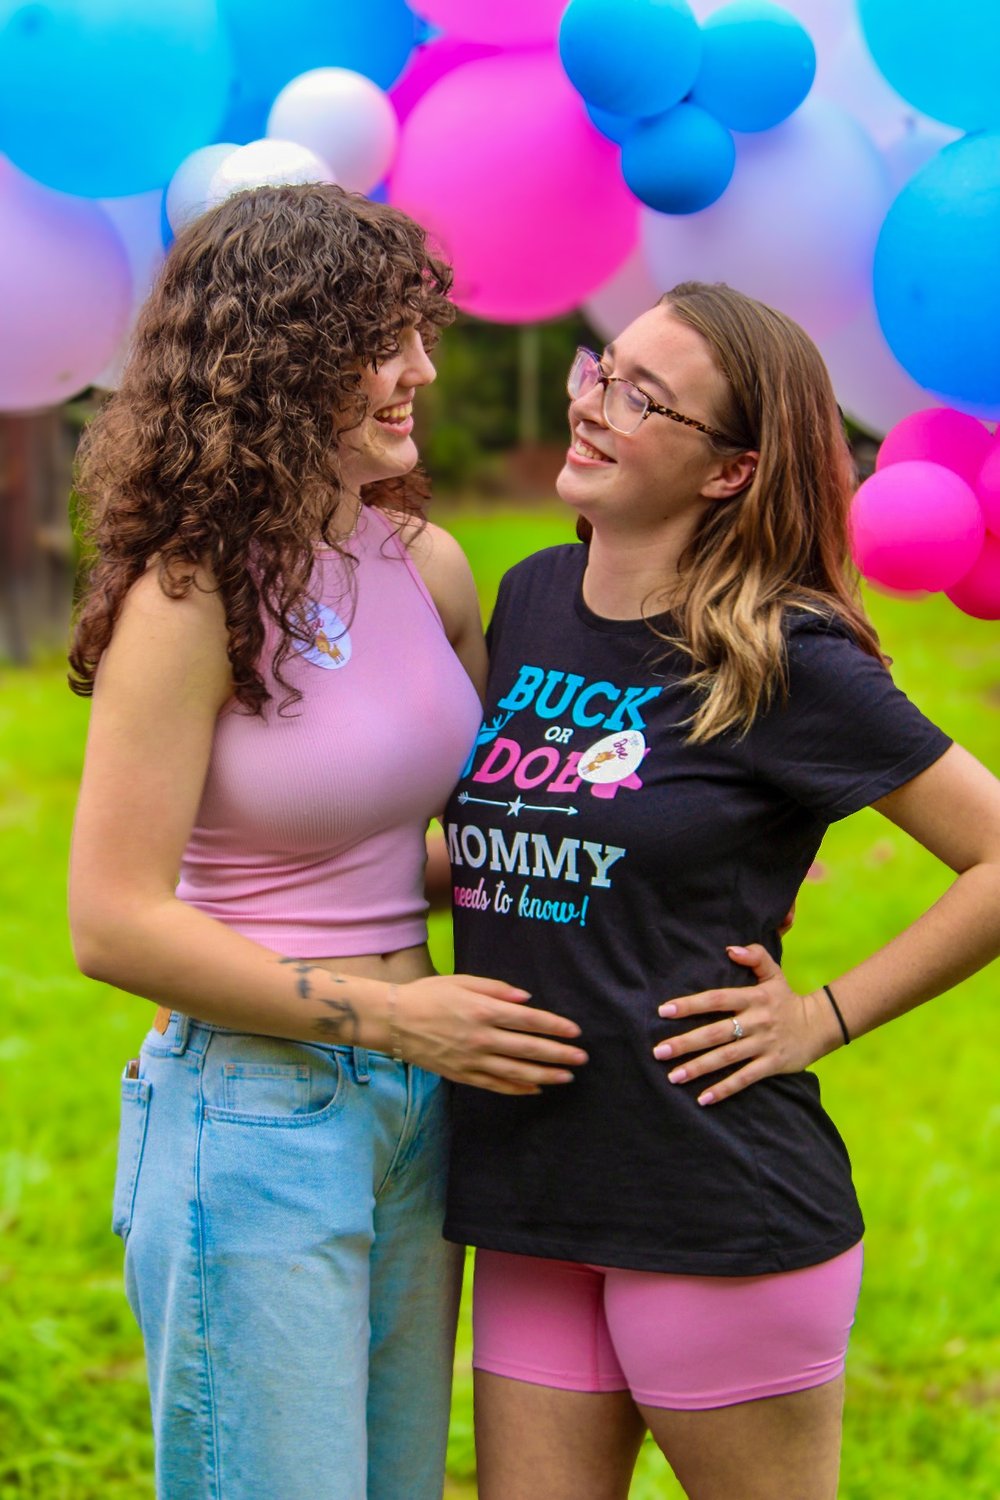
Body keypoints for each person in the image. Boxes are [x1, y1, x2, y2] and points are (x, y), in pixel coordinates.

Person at [67, 182, 586, 1500]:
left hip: (423, 1105)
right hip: (258, 1108)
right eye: (378, 341)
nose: (419, 370)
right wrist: (395, 1018)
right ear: (279, 357)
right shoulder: (189, 595)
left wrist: (667, 857)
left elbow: (458, 839)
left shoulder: (426, 563)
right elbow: (111, 921)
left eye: (419, 333)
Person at [440, 282, 1000, 1499]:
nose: (594, 405)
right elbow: (513, 841)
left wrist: (822, 1016)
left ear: (732, 471)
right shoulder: (530, 596)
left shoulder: (777, 652)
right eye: (602, 369)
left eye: (645, 400)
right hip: (529, 1192)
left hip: (711, 1199)